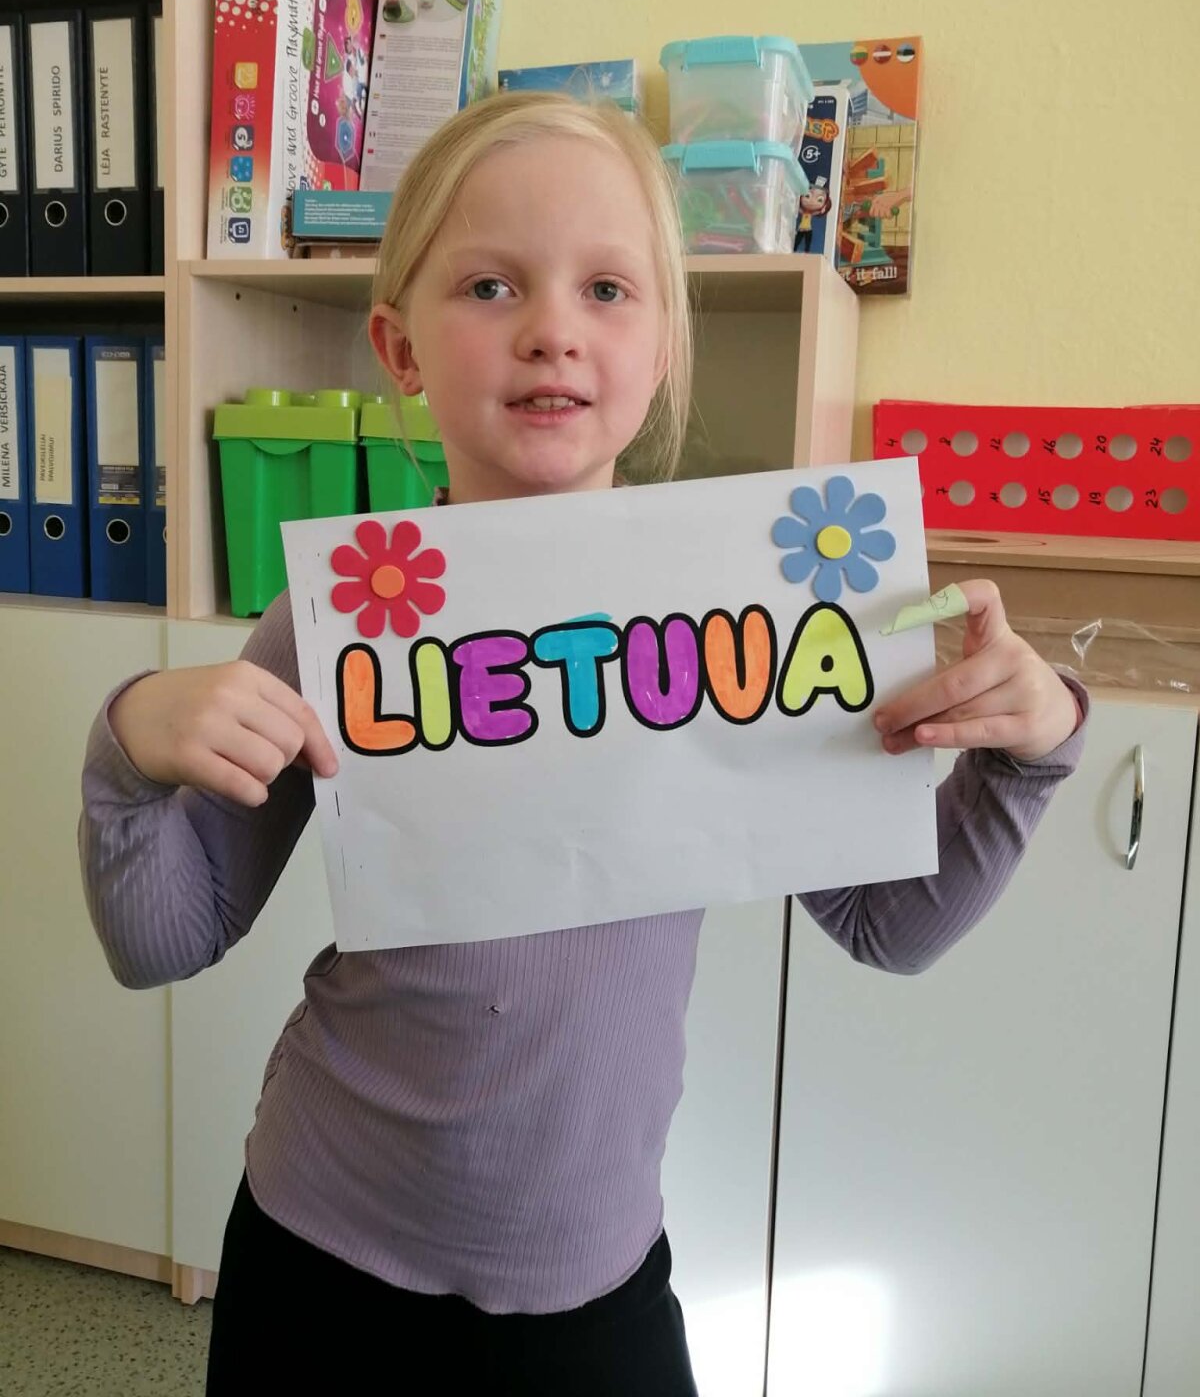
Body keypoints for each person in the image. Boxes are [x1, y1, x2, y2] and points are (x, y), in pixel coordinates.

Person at [79, 94, 1086, 1396]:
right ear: (399, 346)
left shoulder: (747, 614)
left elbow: (891, 925)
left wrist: (1028, 752)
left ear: (663, 346)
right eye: (490, 285)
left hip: (593, 1288)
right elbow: (167, 936)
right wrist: (129, 750)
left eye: (608, 289)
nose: (553, 329)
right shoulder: (345, 618)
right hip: (322, 1255)